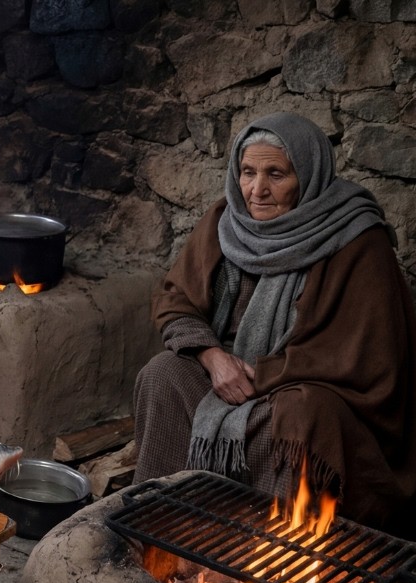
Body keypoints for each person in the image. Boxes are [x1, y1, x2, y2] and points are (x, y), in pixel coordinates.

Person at [133, 111, 416, 537]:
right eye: (248, 172)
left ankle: (269, 547)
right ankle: (166, 521)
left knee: (305, 416)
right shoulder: (225, 222)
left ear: (308, 176)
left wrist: (262, 375)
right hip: (228, 373)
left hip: (301, 387)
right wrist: (213, 358)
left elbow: (366, 359)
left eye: (276, 174)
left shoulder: (359, 241)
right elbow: (175, 300)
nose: (257, 190)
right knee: (163, 374)